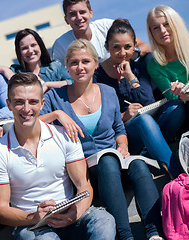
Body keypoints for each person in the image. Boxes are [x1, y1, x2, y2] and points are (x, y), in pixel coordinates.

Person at [40, 39, 163, 240]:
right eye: (74, 62)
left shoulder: (108, 91)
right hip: (84, 169)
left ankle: (154, 233)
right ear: (67, 67)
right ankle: (125, 236)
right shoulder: (55, 96)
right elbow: (33, 124)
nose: (80, 67)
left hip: (115, 162)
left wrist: (122, 144)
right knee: (107, 161)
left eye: (85, 61)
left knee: (139, 165)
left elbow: (118, 128)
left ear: (95, 65)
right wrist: (57, 115)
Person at [0, 72, 116, 240]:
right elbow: (1, 211)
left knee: (104, 220)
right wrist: (34, 216)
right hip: (31, 225)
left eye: (33, 102)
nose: (26, 109)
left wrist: (74, 215)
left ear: (42, 104)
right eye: (19, 102)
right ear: (9, 105)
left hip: (70, 214)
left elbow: (84, 186)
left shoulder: (64, 136)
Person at [93, 19, 183, 179]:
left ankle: (150, 153)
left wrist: (130, 77)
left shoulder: (140, 65)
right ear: (106, 46)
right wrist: (123, 116)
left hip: (154, 126)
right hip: (126, 134)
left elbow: (147, 102)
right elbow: (99, 118)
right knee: (144, 122)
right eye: (116, 47)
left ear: (134, 45)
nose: (122, 53)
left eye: (127, 47)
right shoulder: (97, 76)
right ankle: (177, 177)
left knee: (177, 108)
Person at [51, 0, 151, 66]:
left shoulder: (107, 26)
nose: (79, 18)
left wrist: (132, 54)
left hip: (123, 75)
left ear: (90, 13)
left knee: (150, 59)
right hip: (91, 88)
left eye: (82, 12)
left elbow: (145, 46)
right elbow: (60, 76)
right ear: (66, 19)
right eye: (73, 14)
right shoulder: (61, 45)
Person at [146, 5, 189, 102]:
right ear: (151, 33)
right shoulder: (154, 65)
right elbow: (172, 97)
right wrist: (181, 92)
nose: (162, 31)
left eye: (167, 24)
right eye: (156, 28)